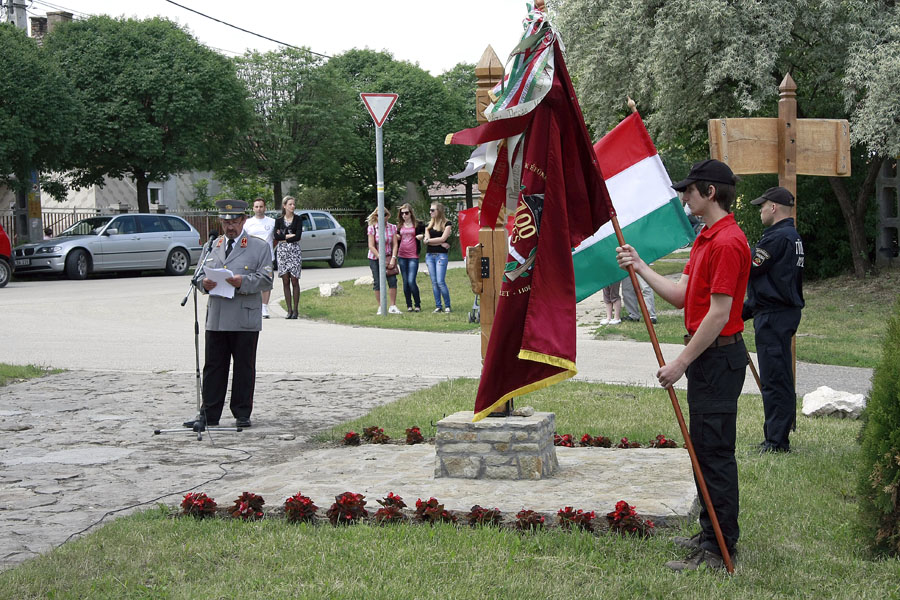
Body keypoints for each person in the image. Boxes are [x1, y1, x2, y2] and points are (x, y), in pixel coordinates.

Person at [616, 159, 750, 571]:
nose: (683, 196)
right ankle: (709, 532)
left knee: (714, 453)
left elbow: (718, 313)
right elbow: (680, 296)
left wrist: (680, 363)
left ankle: (719, 548)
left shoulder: (728, 242)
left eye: (689, 190)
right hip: (707, 358)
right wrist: (640, 266)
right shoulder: (708, 238)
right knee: (702, 451)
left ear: (710, 192)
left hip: (716, 356)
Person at [183, 199, 273, 430]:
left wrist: (242, 281)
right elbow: (198, 277)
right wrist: (204, 284)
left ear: (243, 220)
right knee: (213, 366)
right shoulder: (212, 245)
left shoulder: (258, 246)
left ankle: (242, 412)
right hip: (218, 317)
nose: (229, 226)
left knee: (244, 367)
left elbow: (266, 279)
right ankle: (209, 414)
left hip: (244, 316)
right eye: (225, 222)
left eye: (233, 222)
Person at [742, 186, 804, 453]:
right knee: (779, 376)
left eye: (762, 206)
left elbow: (751, 268)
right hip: (780, 312)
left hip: (774, 316)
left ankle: (776, 442)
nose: (760, 211)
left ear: (774, 207)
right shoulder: (792, 236)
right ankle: (777, 434)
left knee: (774, 378)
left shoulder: (776, 238)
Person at [243, 198, 276, 318]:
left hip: (267, 258)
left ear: (265, 208)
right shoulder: (247, 223)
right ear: (253, 208)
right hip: (251, 257)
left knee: (267, 281)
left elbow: (276, 237)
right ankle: (252, 306)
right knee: (251, 280)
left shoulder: (272, 222)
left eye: (261, 206)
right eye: (256, 207)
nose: (259, 209)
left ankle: (264, 307)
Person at [367, 208, 400, 315]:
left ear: (388, 215)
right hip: (375, 258)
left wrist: (393, 258)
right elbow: (371, 246)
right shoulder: (372, 228)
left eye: (385, 215)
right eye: (379, 215)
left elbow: (395, 244)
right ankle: (381, 306)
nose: (382, 217)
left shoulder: (392, 227)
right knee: (377, 282)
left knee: (392, 280)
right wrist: (380, 258)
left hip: (389, 256)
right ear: (376, 217)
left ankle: (393, 306)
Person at [274, 196, 303, 319]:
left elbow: (298, 236)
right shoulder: (279, 221)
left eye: (293, 204)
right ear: (284, 206)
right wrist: (288, 235)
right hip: (282, 252)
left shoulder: (298, 219)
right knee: (285, 280)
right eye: (290, 204)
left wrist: (284, 236)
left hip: (294, 251)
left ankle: (296, 310)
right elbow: (276, 237)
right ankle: (289, 310)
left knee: (294, 280)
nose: (292, 206)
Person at [395, 202, 425, 312]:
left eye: (406, 213)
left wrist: (423, 236)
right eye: (402, 213)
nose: (404, 215)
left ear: (411, 213)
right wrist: (396, 237)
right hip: (402, 255)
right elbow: (396, 236)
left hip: (413, 255)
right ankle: (409, 305)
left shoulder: (418, 224)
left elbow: (427, 232)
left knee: (411, 280)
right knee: (405, 281)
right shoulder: (399, 226)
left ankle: (417, 304)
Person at [423, 201, 453, 313]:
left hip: (441, 256)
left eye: (432, 210)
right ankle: (438, 306)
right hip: (430, 255)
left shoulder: (447, 224)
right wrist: (439, 242)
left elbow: (443, 238)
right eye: (430, 210)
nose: (430, 212)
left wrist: (434, 241)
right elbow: (426, 241)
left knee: (440, 281)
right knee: (434, 282)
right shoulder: (428, 225)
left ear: (439, 211)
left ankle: (448, 305)